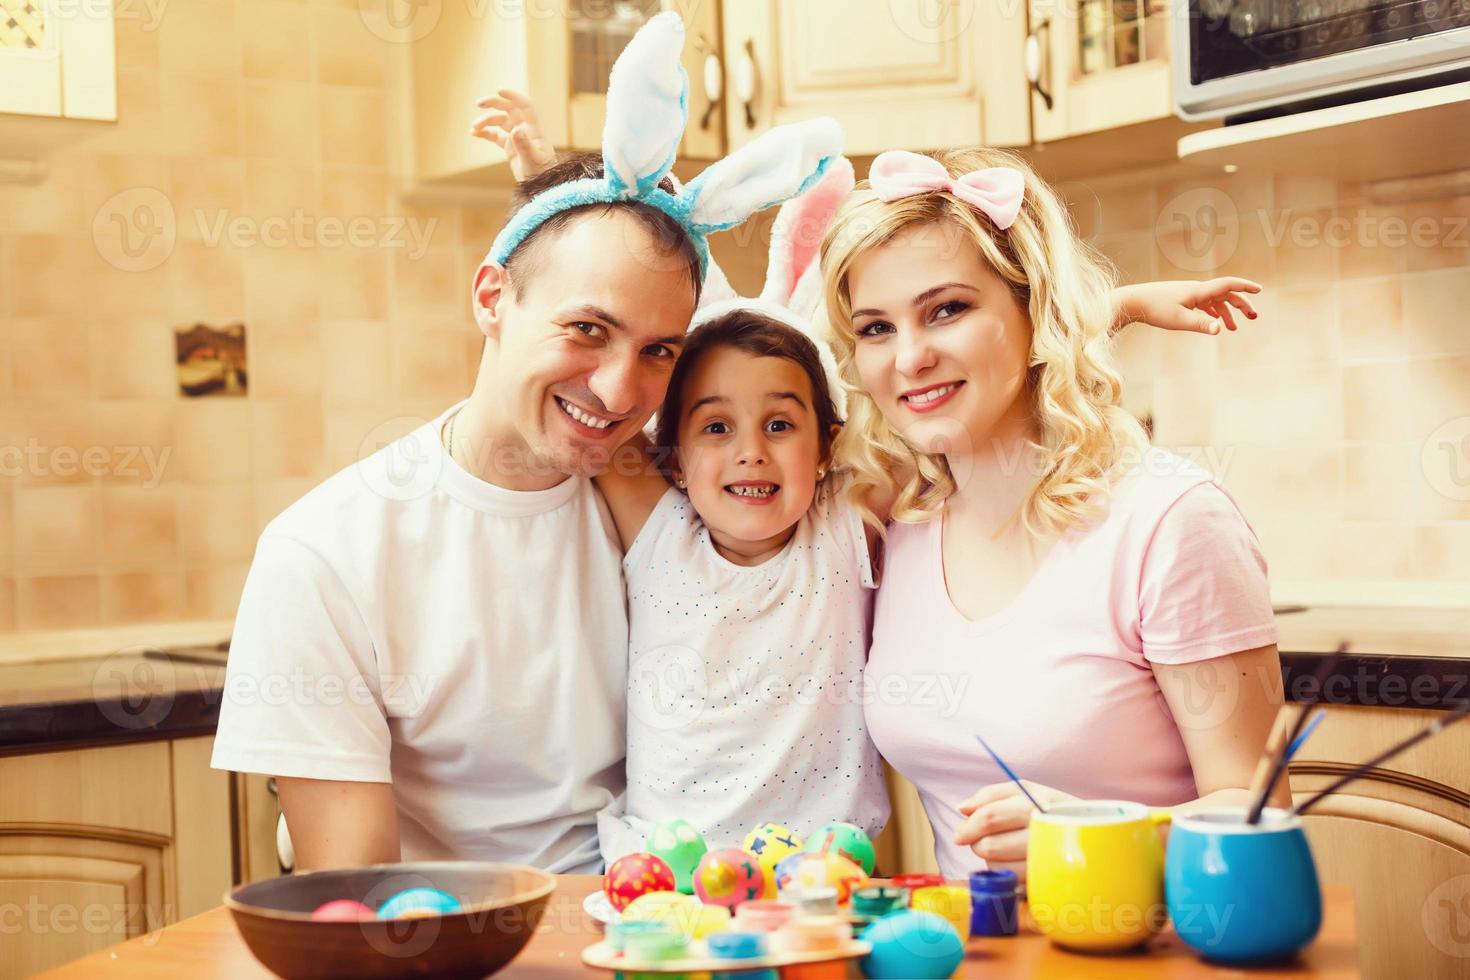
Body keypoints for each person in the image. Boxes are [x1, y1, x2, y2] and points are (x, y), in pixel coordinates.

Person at [210, 14, 842, 872]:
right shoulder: (324, 556)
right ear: (491, 298)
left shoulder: (684, 510)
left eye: (659, 351)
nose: (620, 392)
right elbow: (354, 901)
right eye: (586, 329)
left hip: (670, 933)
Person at [820, 148, 1285, 881]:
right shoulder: (901, 518)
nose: (908, 359)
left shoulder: (1170, 521)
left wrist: (1087, 835)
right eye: (876, 327)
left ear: (1035, 309)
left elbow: (1258, 812)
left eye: (947, 309)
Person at [593, 161, 890, 860]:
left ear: (828, 448)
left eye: (781, 425)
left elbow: (965, 398)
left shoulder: (845, 524)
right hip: (662, 882)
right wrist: (538, 173)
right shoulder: (657, 530)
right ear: (670, 455)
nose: (751, 452)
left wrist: (1121, 307)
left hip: (820, 884)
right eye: (716, 427)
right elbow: (598, 392)